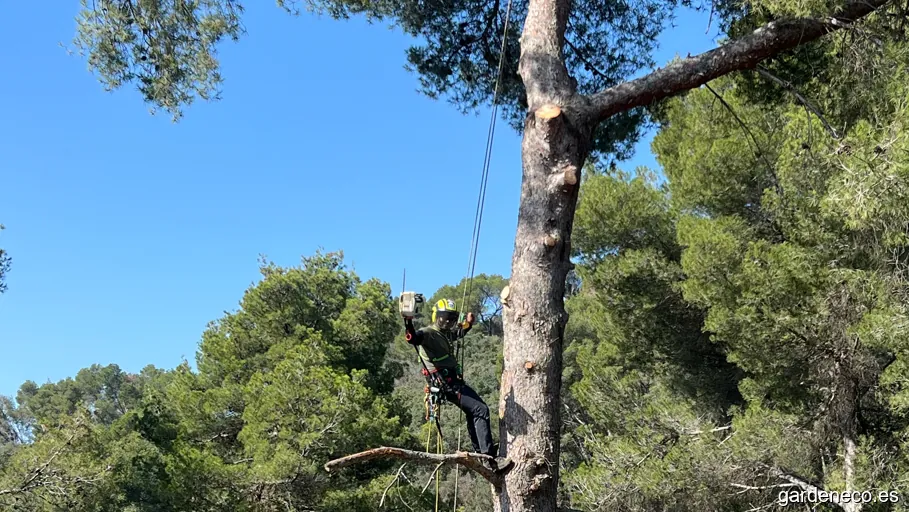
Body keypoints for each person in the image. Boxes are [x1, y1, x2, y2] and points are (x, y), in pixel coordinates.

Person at [404, 298, 498, 461]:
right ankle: (488, 456)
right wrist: (408, 321)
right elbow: (413, 338)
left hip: (452, 381)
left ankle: (482, 452)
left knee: (473, 411)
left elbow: (458, 334)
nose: (447, 322)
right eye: (444, 318)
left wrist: (468, 324)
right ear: (436, 317)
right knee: (480, 410)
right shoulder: (429, 333)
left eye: (451, 319)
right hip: (446, 382)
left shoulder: (445, 334)